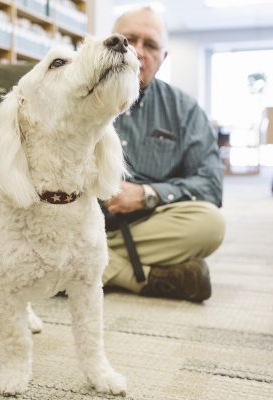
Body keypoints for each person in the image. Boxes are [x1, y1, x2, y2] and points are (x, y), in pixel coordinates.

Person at [102, 7, 225, 301]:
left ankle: (82, 267)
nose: (138, 52)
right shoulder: (76, 93)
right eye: (128, 40)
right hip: (75, 221)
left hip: (144, 227)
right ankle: (139, 278)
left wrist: (148, 193)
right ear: (110, 43)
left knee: (210, 224)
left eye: (151, 45)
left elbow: (211, 184)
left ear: (163, 58)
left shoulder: (184, 110)